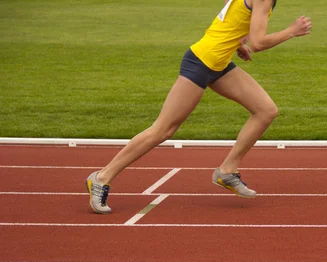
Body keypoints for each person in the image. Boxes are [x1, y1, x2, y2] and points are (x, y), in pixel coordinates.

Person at [86, 0, 312, 213]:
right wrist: (292, 31)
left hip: (219, 63)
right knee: (163, 129)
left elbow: (230, 16)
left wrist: (236, 42)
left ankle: (227, 171)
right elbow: (259, 43)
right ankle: (102, 177)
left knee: (266, 110)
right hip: (201, 62)